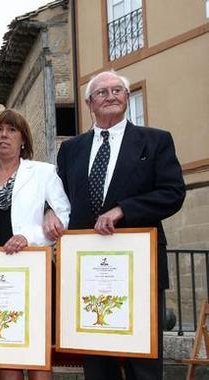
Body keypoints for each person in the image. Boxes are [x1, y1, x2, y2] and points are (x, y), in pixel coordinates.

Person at [45, 71, 185, 380]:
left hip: (139, 266)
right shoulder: (71, 149)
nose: (110, 95)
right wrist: (49, 212)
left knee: (143, 362)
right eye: (102, 92)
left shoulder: (156, 140)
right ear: (89, 102)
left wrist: (123, 210)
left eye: (117, 90)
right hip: (87, 270)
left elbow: (173, 194)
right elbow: (57, 194)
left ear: (125, 95)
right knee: (96, 360)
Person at [0, 109, 70, 380]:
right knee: (5, 348)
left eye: (11, 130)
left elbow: (63, 216)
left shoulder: (44, 173)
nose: (4, 135)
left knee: (38, 351)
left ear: (23, 138)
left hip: (36, 271)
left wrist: (28, 237)